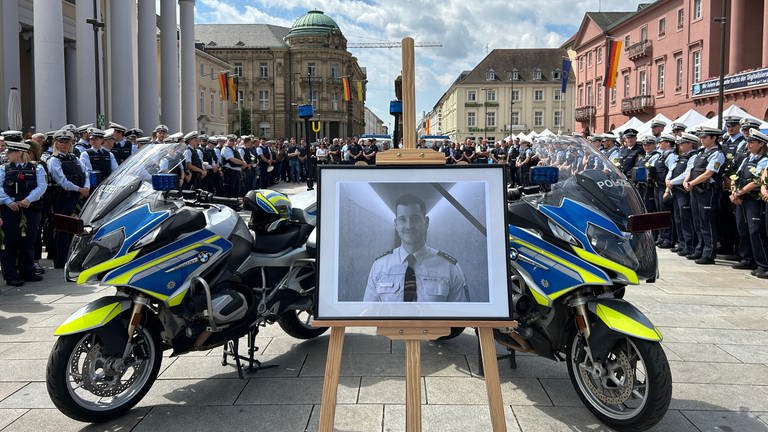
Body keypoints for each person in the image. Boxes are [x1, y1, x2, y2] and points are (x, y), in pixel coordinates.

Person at [363, 194, 469, 302]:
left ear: (426, 222)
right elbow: (368, 314)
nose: (409, 226)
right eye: (402, 219)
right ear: (396, 224)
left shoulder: (450, 268)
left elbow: (462, 315)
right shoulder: (379, 267)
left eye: (415, 219)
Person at [0, 140, 47, 286]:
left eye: (10, 152)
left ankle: (27, 270)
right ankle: (11, 275)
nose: (7, 154)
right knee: (10, 242)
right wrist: (8, 201)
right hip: (10, 209)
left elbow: (42, 186)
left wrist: (28, 200)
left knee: (28, 242)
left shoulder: (37, 168)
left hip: (29, 209)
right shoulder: (4, 168)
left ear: (20, 153)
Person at [46, 129, 90, 269]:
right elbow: (62, 181)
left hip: (78, 197)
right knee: (62, 231)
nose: (64, 144)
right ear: (56, 144)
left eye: (67, 142)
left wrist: (86, 188)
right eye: (61, 142)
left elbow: (86, 174)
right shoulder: (54, 160)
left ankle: (73, 258)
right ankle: (61, 260)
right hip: (63, 198)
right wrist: (80, 189)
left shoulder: (74, 158)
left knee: (76, 229)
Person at [684, 126, 725, 264]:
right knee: (698, 222)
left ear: (714, 138)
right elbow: (692, 169)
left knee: (707, 222)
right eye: (701, 136)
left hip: (707, 191)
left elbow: (708, 173)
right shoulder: (701, 152)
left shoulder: (717, 154)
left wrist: (692, 183)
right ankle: (700, 249)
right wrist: (687, 181)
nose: (701, 139)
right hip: (696, 190)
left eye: (705, 137)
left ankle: (709, 253)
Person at [729, 130, 768, 278]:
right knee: (743, 229)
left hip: (753, 200)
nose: (748, 144)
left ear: (761, 144)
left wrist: (739, 193)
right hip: (742, 199)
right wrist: (734, 192)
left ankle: (763, 263)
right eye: (748, 142)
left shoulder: (764, 160)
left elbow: (757, 180)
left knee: (756, 231)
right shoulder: (747, 159)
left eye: (752, 142)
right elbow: (735, 176)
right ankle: (747, 258)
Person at [667, 133, 700, 257]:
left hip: (683, 190)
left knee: (686, 219)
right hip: (675, 189)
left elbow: (687, 173)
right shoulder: (680, 156)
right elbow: (671, 170)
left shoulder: (693, 156)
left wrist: (672, 182)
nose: (679, 145)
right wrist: (668, 180)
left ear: (690, 144)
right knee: (678, 219)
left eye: (682, 143)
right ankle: (682, 243)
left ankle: (690, 245)